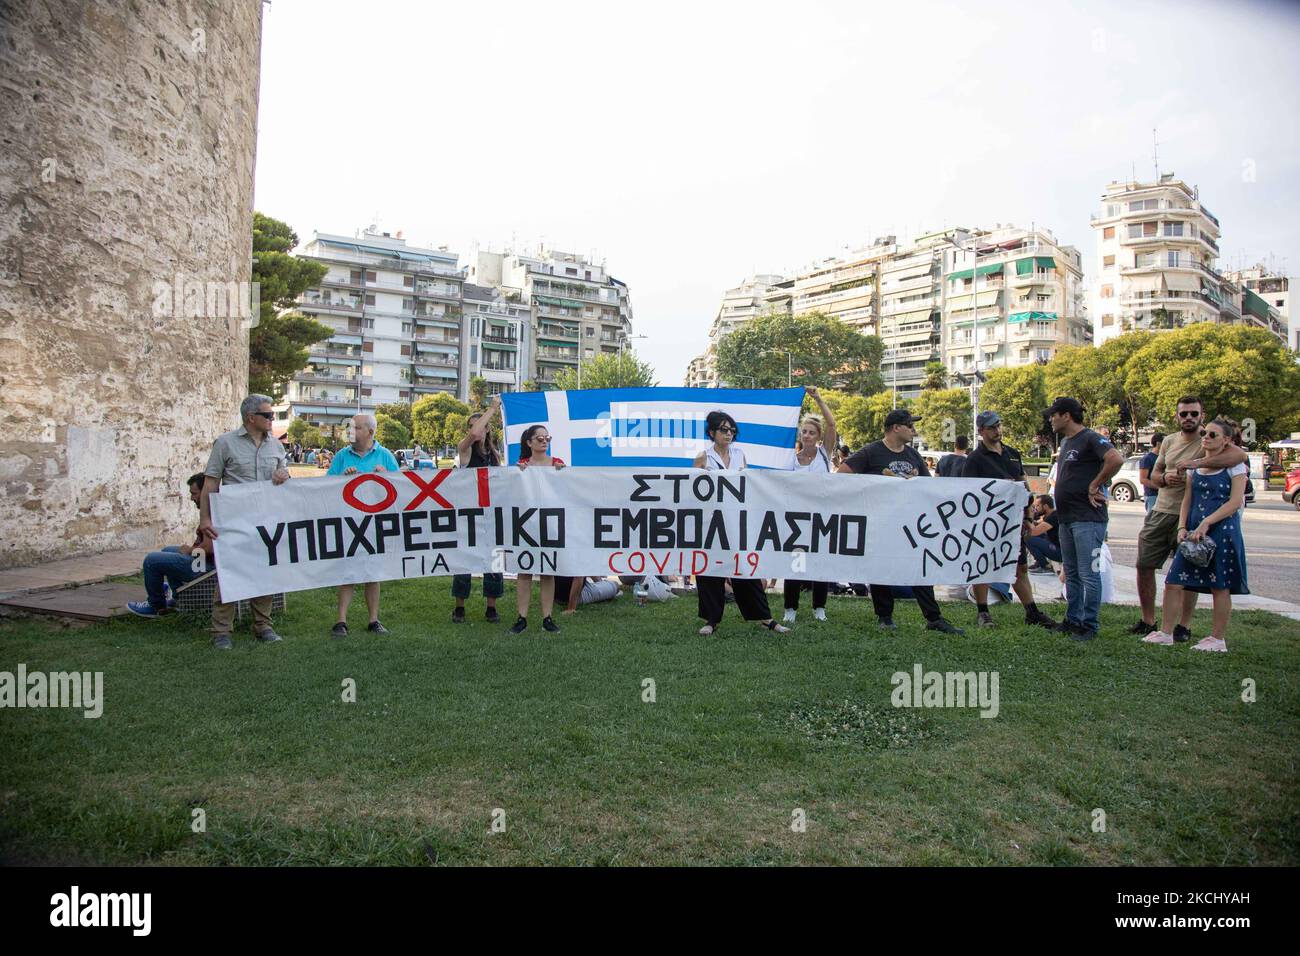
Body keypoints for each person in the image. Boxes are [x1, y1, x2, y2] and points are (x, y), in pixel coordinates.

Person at [836, 409, 963, 635]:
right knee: (881, 568)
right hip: (882, 522)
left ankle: (933, 618)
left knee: (918, 568)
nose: (913, 430)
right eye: (909, 425)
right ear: (896, 428)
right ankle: (885, 616)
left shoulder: (913, 456)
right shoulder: (871, 452)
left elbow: (928, 486)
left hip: (911, 524)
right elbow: (841, 475)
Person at [1133, 396, 1245, 641]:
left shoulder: (1211, 438)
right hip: (1163, 510)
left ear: (1201, 415)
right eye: (1184, 414)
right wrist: (1165, 479)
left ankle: (1183, 626)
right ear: (1177, 416)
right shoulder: (1169, 441)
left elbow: (1238, 457)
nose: (1189, 418)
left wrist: (1193, 465)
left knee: (1189, 574)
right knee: (1145, 564)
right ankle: (1148, 621)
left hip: (1195, 516)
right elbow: (1155, 474)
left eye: (1194, 413)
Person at [197, 394, 291, 650]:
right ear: (251, 418)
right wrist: (205, 518)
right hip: (234, 520)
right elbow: (211, 483)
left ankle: (263, 626)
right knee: (230, 573)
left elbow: (285, 476)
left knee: (266, 571)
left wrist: (284, 475)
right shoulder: (225, 444)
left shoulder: (276, 446)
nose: (273, 419)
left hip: (266, 520)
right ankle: (221, 631)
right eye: (268, 415)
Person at [692, 410, 789, 635]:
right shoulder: (703, 457)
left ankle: (764, 617)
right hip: (711, 522)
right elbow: (692, 491)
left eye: (732, 430)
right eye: (724, 430)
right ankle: (711, 620)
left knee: (744, 567)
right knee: (709, 570)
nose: (729, 434)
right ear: (712, 432)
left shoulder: (740, 455)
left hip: (736, 521)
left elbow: (747, 486)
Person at [960, 411, 1057, 630]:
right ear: (981, 431)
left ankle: (1031, 611)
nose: (997, 430)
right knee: (982, 566)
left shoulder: (1012, 454)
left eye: (998, 425)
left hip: (1013, 522)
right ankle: (983, 612)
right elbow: (968, 493)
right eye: (991, 427)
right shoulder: (975, 459)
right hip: (987, 522)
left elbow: (1023, 486)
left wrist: (1028, 516)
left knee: (1020, 567)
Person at [1045, 396, 1124, 642]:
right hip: (1067, 518)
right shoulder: (1067, 442)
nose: (1050, 419)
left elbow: (1116, 458)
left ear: (1066, 415)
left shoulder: (1090, 437)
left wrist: (1096, 484)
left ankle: (1090, 624)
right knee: (1072, 571)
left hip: (1087, 519)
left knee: (1089, 572)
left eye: (1053, 414)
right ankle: (1073, 620)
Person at [327, 413, 399, 637]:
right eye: (350, 427)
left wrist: (387, 476)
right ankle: (341, 621)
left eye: (356, 428)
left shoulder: (385, 456)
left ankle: (373, 620)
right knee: (347, 572)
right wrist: (342, 478)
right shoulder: (341, 456)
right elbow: (325, 486)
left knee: (372, 573)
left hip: (375, 524)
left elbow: (401, 488)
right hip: (348, 522)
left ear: (370, 431)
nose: (351, 431)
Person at [779, 387, 837, 624]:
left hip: (821, 515)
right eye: (804, 431)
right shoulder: (791, 459)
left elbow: (832, 425)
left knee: (819, 563)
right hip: (795, 517)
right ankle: (790, 608)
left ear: (819, 436)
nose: (807, 435)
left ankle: (819, 607)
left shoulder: (825, 454)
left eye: (812, 432)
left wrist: (818, 399)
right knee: (796, 561)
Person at [127, 474, 213, 618]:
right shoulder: (212, 510)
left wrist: (188, 550)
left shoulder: (212, 514)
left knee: (152, 560)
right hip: (207, 562)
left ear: (204, 493)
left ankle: (156, 606)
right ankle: (180, 598)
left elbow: (207, 549)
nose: (192, 498)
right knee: (168, 551)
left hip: (208, 568)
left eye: (194, 494)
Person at [452, 396, 505, 623]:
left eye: (482, 425)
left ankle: (491, 607)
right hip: (469, 513)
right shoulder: (464, 450)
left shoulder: (494, 454)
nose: (478, 429)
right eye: (474, 425)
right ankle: (460, 606)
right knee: (464, 559)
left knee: (494, 558)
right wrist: (492, 408)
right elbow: (473, 435)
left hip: (491, 513)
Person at [512, 424, 565, 634]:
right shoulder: (521, 466)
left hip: (550, 524)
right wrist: (517, 474)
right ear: (529, 442)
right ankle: (521, 618)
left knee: (547, 571)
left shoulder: (558, 464)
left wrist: (563, 475)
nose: (544, 441)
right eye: (539, 438)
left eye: (547, 437)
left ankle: (547, 618)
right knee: (524, 570)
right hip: (526, 524)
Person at [1026, 495, 1062, 573]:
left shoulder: (1054, 517)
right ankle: (1039, 562)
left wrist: (1027, 519)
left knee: (1028, 538)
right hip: (1056, 547)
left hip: (1059, 552)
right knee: (1040, 536)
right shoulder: (1050, 516)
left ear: (1045, 506)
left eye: (1038, 506)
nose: (1036, 509)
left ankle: (1045, 566)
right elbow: (1037, 523)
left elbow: (1034, 532)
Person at [553, 575, 622, 614]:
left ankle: (599, 583)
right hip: (572, 595)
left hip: (553, 594)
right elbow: (579, 576)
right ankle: (600, 584)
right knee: (615, 585)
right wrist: (571, 608)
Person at [1139, 433, 1163, 513]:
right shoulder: (1147, 459)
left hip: (1164, 496)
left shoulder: (1164, 457)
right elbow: (1143, 480)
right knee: (1152, 521)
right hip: (1152, 495)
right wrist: (1160, 488)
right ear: (1158, 444)